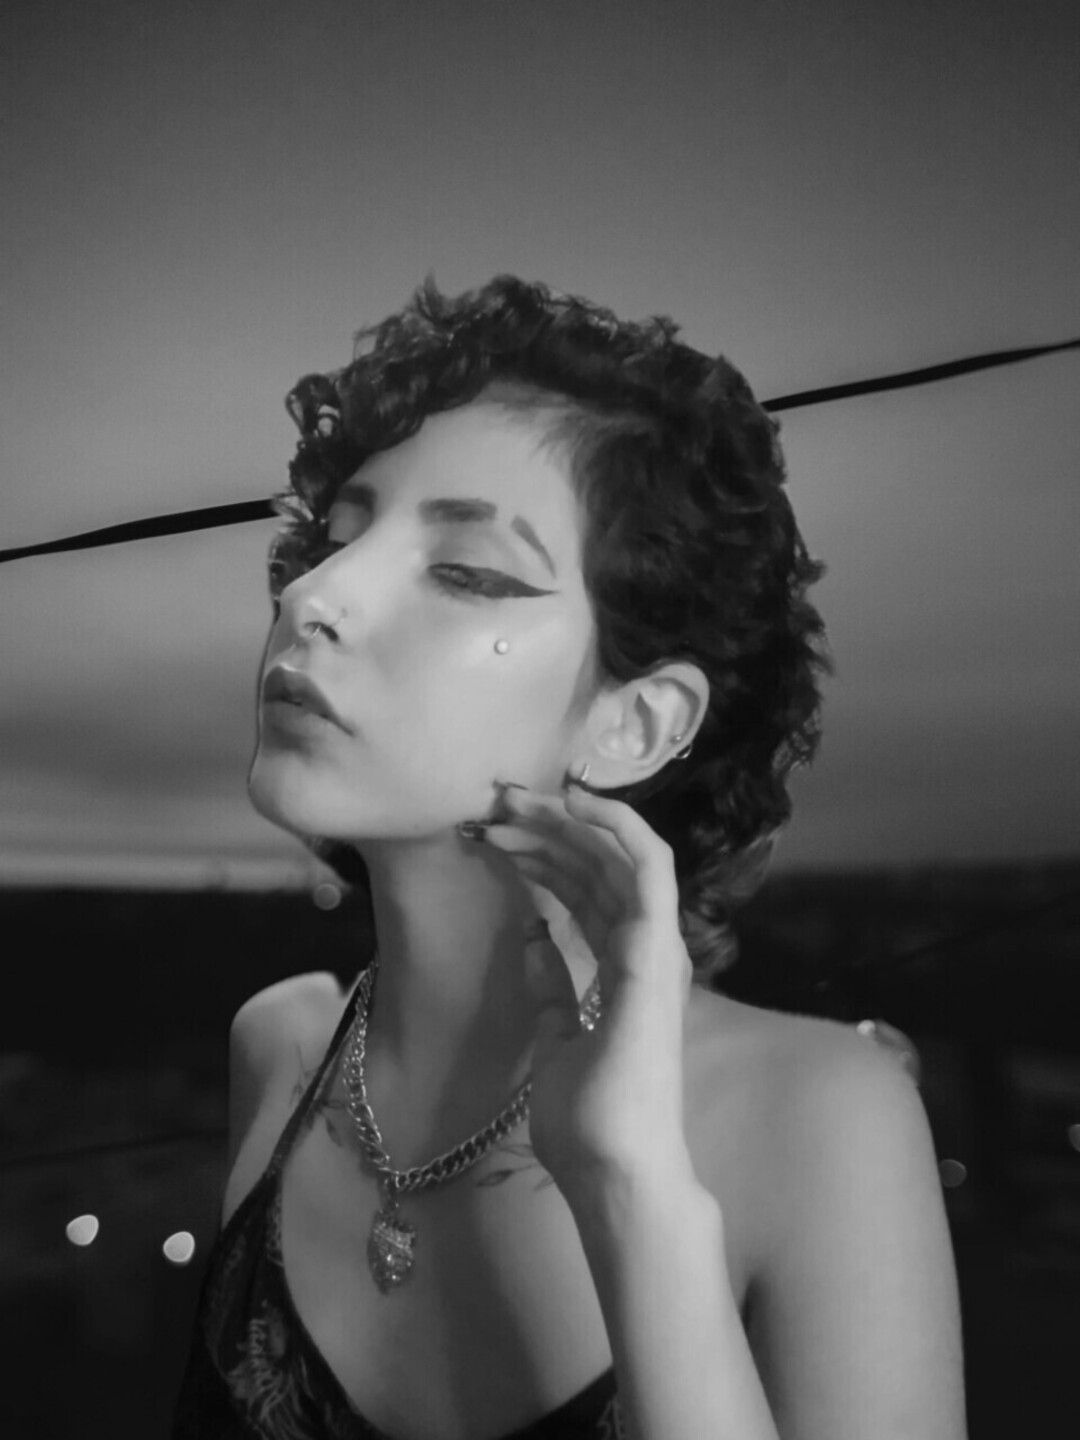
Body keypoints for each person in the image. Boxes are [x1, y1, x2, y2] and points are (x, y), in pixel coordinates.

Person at [171, 275, 967, 1439]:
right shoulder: (280, 1048)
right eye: (337, 538)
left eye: (466, 572)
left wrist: (630, 1187)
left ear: (634, 724)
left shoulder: (821, 1119)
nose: (316, 595)